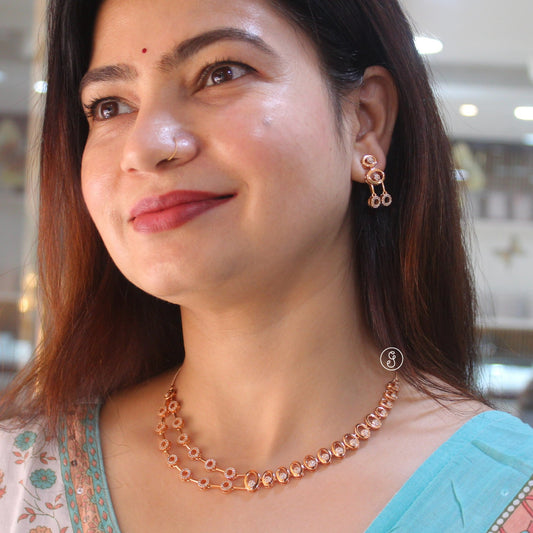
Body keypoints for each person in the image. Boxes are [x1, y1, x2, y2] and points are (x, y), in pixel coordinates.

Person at [1, 0, 532, 531]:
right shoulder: (19, 475)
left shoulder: (510, 496)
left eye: (221, 73)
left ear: (365, 123)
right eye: (109, 106)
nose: (145, 147)